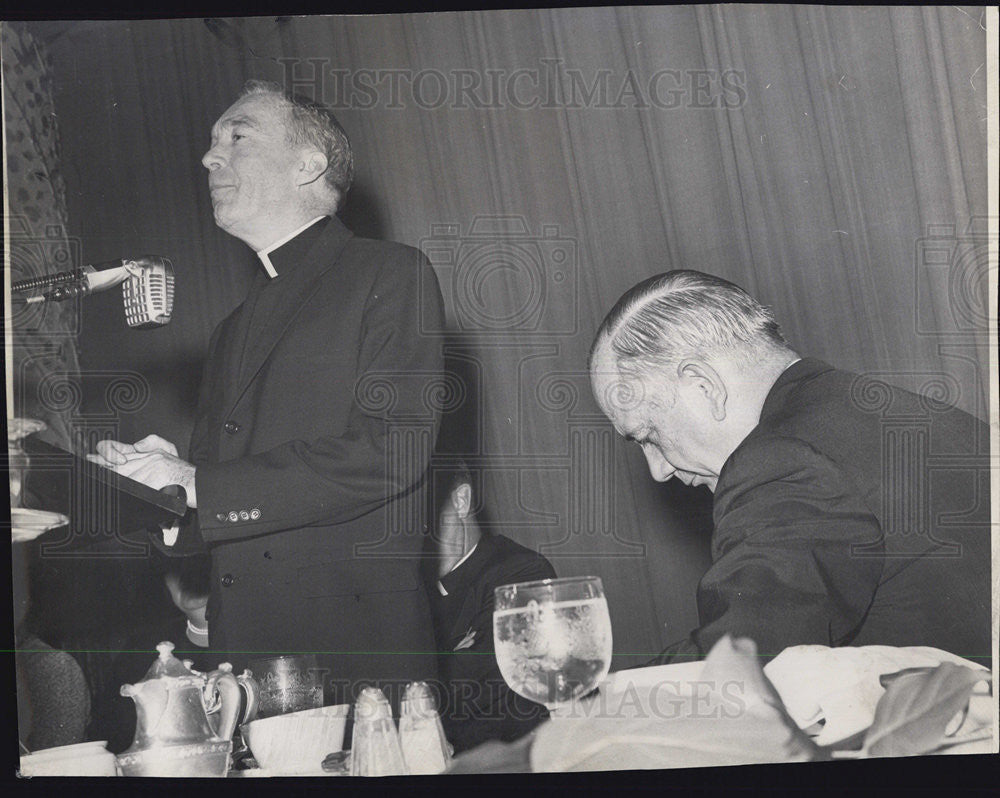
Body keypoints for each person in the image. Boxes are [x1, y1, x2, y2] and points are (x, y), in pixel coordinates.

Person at [89, 79, 446, 705]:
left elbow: (392, 451)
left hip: (357, 664)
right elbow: (221, 511)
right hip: (245, 674)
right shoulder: (230, 329)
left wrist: (200, 481)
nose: (208, 156)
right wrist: (160, 489)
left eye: (237, 135)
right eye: (210, 142)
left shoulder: (390, 274)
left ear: (308, 165)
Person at [588, 270, 991, 665]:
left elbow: (735, 666)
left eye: (648, 435)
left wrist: (587, 710)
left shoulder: (780, 461)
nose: (657, 470)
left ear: (702, 386)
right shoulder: (911, 415)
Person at [425, 460, 556, 753]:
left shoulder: (520, 571)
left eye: (425, 520)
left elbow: (477, 683)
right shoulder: (415, 590)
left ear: (461, 501)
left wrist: (439, 661)